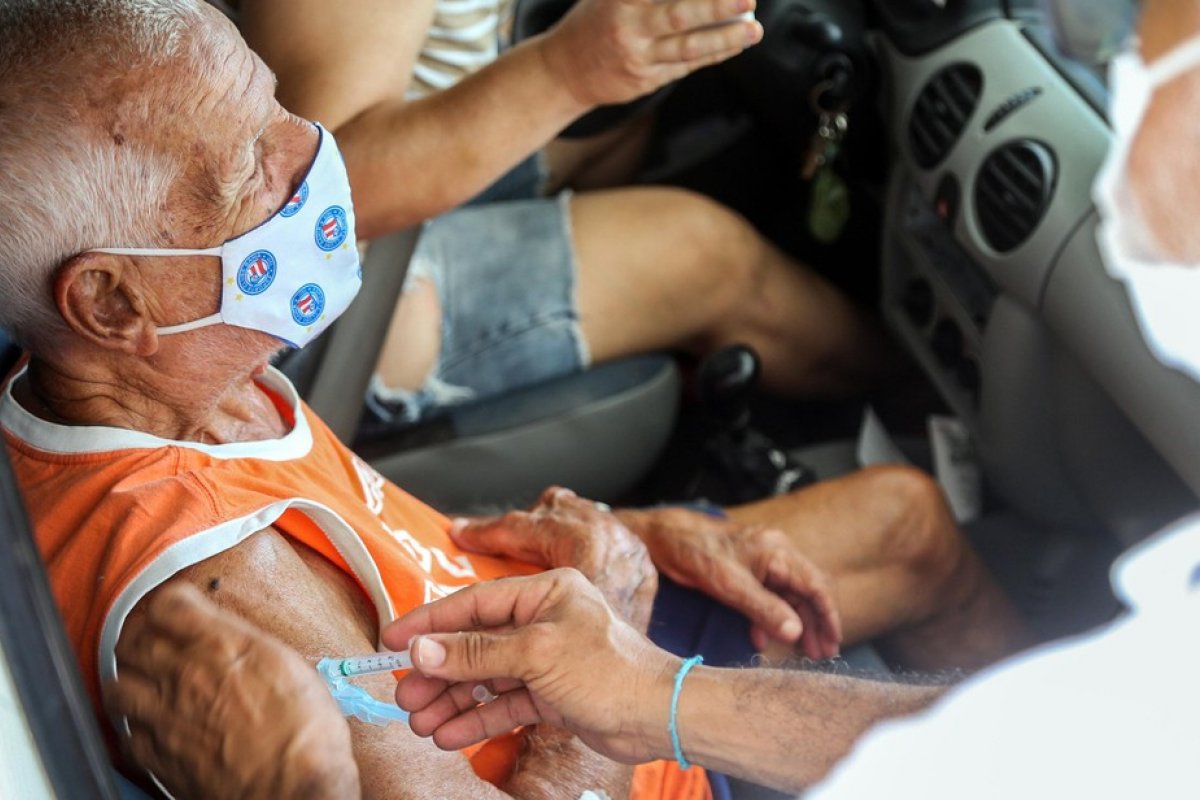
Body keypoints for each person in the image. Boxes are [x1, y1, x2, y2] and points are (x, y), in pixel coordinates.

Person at [101, 0, 1200, 796]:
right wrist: (625, 671)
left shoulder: (219, 394)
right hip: (611, 739)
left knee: (910, 520)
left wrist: (633, 545)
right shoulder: (214, 573)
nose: (312, 161)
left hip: (560, 633)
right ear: (110, 297)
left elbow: (403, 581)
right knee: (710, 262)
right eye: (256, 161)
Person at [226, 0, 893, 429]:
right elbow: (321, 195)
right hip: (324, 297)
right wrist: (570, 69)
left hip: (413, 140)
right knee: (703, 256)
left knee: (627, 125)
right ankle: (917, 396)